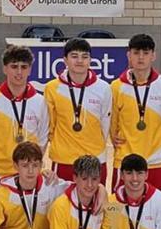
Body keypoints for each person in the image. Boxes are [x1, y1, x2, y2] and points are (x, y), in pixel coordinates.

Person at [110, 34, 161, 192]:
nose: (141, 57)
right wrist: (115, 140)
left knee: (156, 206)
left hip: (155, 163)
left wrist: (159, 150)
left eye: (146, 53)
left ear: (153, 56)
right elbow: (112, 124)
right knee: (119, 206)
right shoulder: (116, 87)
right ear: (129, 55)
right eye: (136, 53)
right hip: (124, 162)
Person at [44, 38, 113, 183]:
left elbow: (105, 124)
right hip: (64, 159)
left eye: (84, 56)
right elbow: (50, 125)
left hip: (95, 158)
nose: (80, 61)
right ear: (65, 60)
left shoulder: (104, 88)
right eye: (74, 56)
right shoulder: (52, 88)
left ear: (90, 60)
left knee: (97, 197)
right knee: (64, 198)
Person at [0, 45, 49, 176]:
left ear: (30, 70)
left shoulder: (40, 102)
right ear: (5, 69)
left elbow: (43, 137)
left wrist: (31, 163)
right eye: (14, 67)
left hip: (28, 172)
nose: (19, 72)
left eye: (24, 67)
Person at [49, 155, 107, 229]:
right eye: (84, 179)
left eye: (94, 179)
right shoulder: (60, 207)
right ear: (75, 178)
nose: (90, 185)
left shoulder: (104, 202)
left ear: (100, 179)